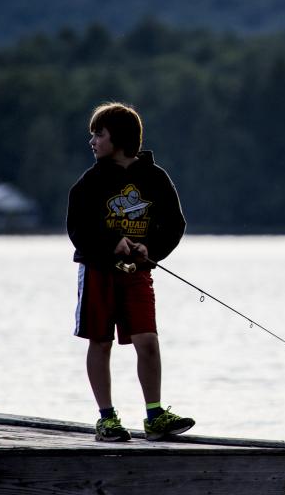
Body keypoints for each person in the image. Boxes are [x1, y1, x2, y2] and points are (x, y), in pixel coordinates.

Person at [67, 101, 194, 442]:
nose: (92, 141)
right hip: (97, 272)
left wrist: (150, 249)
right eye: (92, 134)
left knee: (148, 341)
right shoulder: (89, 182)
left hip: (137, 273)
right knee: (101, 341)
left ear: (119, 139)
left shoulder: (155, 178)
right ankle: (106, 418)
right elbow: (78, 229)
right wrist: (112, 243)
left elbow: (174, 225)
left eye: (99, 134)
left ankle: (154, 414)